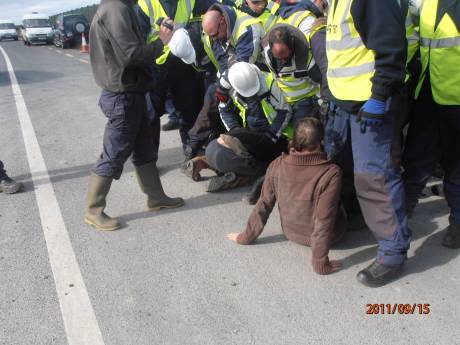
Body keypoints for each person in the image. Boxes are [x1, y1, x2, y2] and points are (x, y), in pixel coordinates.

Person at [324, 0, 411, 286]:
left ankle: (392, 253)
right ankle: (366, 220)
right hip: (347, 102)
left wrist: (379, 96)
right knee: (349, 169)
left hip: (370, 103)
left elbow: (391, 48)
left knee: (375, 177)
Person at [86, 0, 184, 231]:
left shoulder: (121, 7)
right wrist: (162, 41)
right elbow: (130, 54)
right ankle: (93, 210)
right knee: (114, 153)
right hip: (122, 96)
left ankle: (156, 197)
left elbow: (130, 48)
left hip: (133, 92)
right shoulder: (115, 9)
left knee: (144, 148)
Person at [228, 117, 346, 275]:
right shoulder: (331, 172)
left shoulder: (277, 164)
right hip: (332, 238)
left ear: (295, 139)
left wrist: (245, 237)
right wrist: (320, 263)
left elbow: (264, 204)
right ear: (321, 142)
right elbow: (324, 220)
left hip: (291, 233)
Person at [402, 0, 460, 248]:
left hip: (456, 100)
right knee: (415, 159)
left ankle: (458, 223)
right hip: (427, 93)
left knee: (456, 166)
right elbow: (415, 42)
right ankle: (399, 219)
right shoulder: (427, 3)